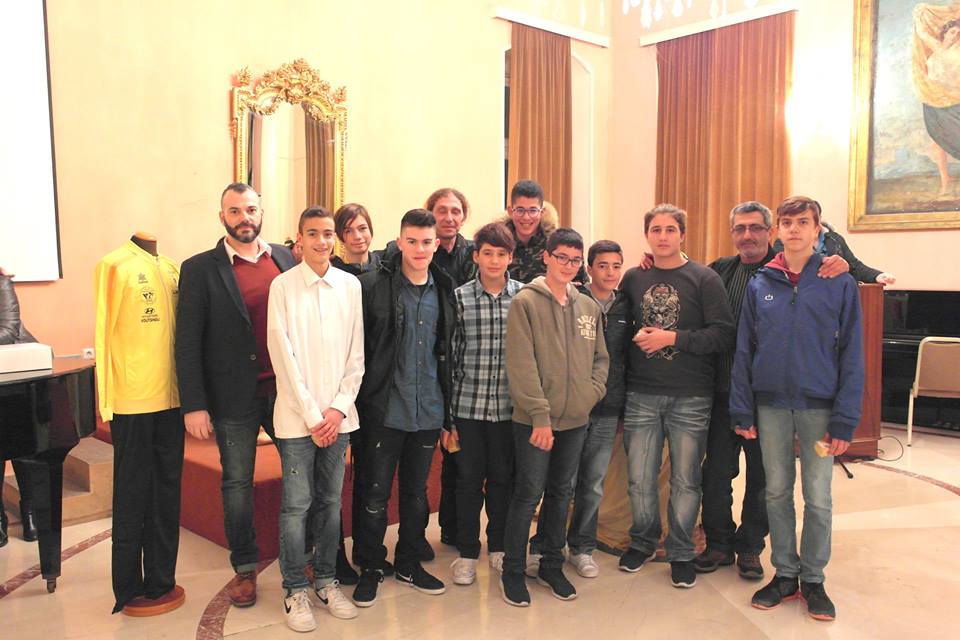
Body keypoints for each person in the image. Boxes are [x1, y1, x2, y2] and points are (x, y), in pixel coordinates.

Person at [731, 195, 864, 622]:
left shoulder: (837, 281)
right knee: (775, 491)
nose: (794, 229)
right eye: (787, 222)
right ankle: (785, 573)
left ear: (817, 229)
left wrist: (845, 419)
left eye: (803, 222)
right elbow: (745, 349)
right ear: (778, 231)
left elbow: (852, 353)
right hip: (770, 407)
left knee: (819, 496)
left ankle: (814, 579)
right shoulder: (761, 283)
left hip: (819, 410)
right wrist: (742, 408)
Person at [175, 183, 295, 608]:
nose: (245, 217)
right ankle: (244, 567)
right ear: (222, 216)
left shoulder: (284, 258)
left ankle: (303, 557)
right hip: (232, 399)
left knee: (300, 477)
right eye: (235, 211)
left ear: (261, 212)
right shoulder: (199, 268)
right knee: (237, 483)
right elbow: (187, 341)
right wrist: (194, 404)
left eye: (251, 209)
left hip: (285, 393)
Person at [618, 204, 734, 589]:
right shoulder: (634, 277)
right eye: (656, 229)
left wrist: (672, 338)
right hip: (641, 392)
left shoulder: (705, 278)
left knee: (686, 480)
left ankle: (682, 551)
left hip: (691, 395)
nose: (663, 236)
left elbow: (723, 334)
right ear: (647, 235)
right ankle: (643, 541)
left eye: (670, 229)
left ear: (683, 234)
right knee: (639, 478)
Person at [351, 209, 455, 607]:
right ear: (399, 242)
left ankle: (409, 562)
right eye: (411, 241)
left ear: (436, 244)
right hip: (384, 408)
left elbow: (446, 352)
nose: (419, 249)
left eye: (427, 242)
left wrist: (447, 414)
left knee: (416, 494)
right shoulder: (372, 286)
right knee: (374, 493)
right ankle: (371, 566)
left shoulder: (443, 287)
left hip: (427, 408)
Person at [267, 206, 364, 630]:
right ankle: (294, 589)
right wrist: (312, 415)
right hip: (296, 420)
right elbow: (282, 356)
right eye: (313, 234)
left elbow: (356, 354)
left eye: (327, 234)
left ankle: (326, 580)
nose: (322, 241)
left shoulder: (349, 286)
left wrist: (337, 408)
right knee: (296, 506)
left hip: (338, 419)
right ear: (299, 240)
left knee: (329, 503)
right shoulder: (283, 287)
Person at [500, 228, 608, 607]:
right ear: (546, 257)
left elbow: (601, 359)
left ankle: (550, 564)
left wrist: (588, 396)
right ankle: (513, 571)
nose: (568, 265)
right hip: (535, 421)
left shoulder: (588, 307)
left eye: (575, 260)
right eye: (561, 257)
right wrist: (540, 416)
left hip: (575, 419)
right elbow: (521, 364)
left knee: (562, 493)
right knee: (529, 494)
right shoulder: (525, 303)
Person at [447, 222, 522, 586]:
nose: (494, 260)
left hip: (509, 409)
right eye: (487, 253)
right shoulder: (459, 298)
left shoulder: (524, 297)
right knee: (467, 481)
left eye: (501, 254)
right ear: (476, 256)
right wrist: (449, 417)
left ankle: (499, 546)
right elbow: (451, 356)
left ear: (511, 257)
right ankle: (466, 552)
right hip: (468, 407)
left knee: (503, 480)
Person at [563, 240, 631, 579]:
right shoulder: (573, 300)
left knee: (592, 483)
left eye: (616, 266)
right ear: (589, 269)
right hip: (574, 407)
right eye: (602, 265)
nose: (610, 272)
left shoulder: (627, 306)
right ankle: (548, 543)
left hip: (609, 408)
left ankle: (582, 547)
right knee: (564, 480)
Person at [423, 187, 476, 557]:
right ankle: (434, 529)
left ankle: (458, 529)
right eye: (442, 210)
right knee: (432, 449)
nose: (449, 217)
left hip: (465, 358)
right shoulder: (420, 249)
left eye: (455, 211)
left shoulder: (473, 254)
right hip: (429, 356)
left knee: (462, 453)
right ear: (430, 213)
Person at [0, 268, 38, 546]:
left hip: (16, 376)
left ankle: (31, 512)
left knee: (22, 448)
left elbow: (8, 330)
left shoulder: (1, 282)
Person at [772, 211, 894, 284]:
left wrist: (877, 275)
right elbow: (790, 264)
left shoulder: (835, 239)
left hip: (833, 293)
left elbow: (854, 266)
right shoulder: (784, 242)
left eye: (804, 222)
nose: (795, 228)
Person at [504, 180, 587, 284]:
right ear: (510, 211)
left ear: (542, 212)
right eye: (520, 210)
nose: (526, 217)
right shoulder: (499, 242)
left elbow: (582, 284)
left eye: (533, 211)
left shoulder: (558, 243)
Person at [332, 203, 382, 276]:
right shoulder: (333, 273)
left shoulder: (384, 267)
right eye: (348, 231)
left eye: (362, 228)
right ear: (339, 236)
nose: (357, 236)